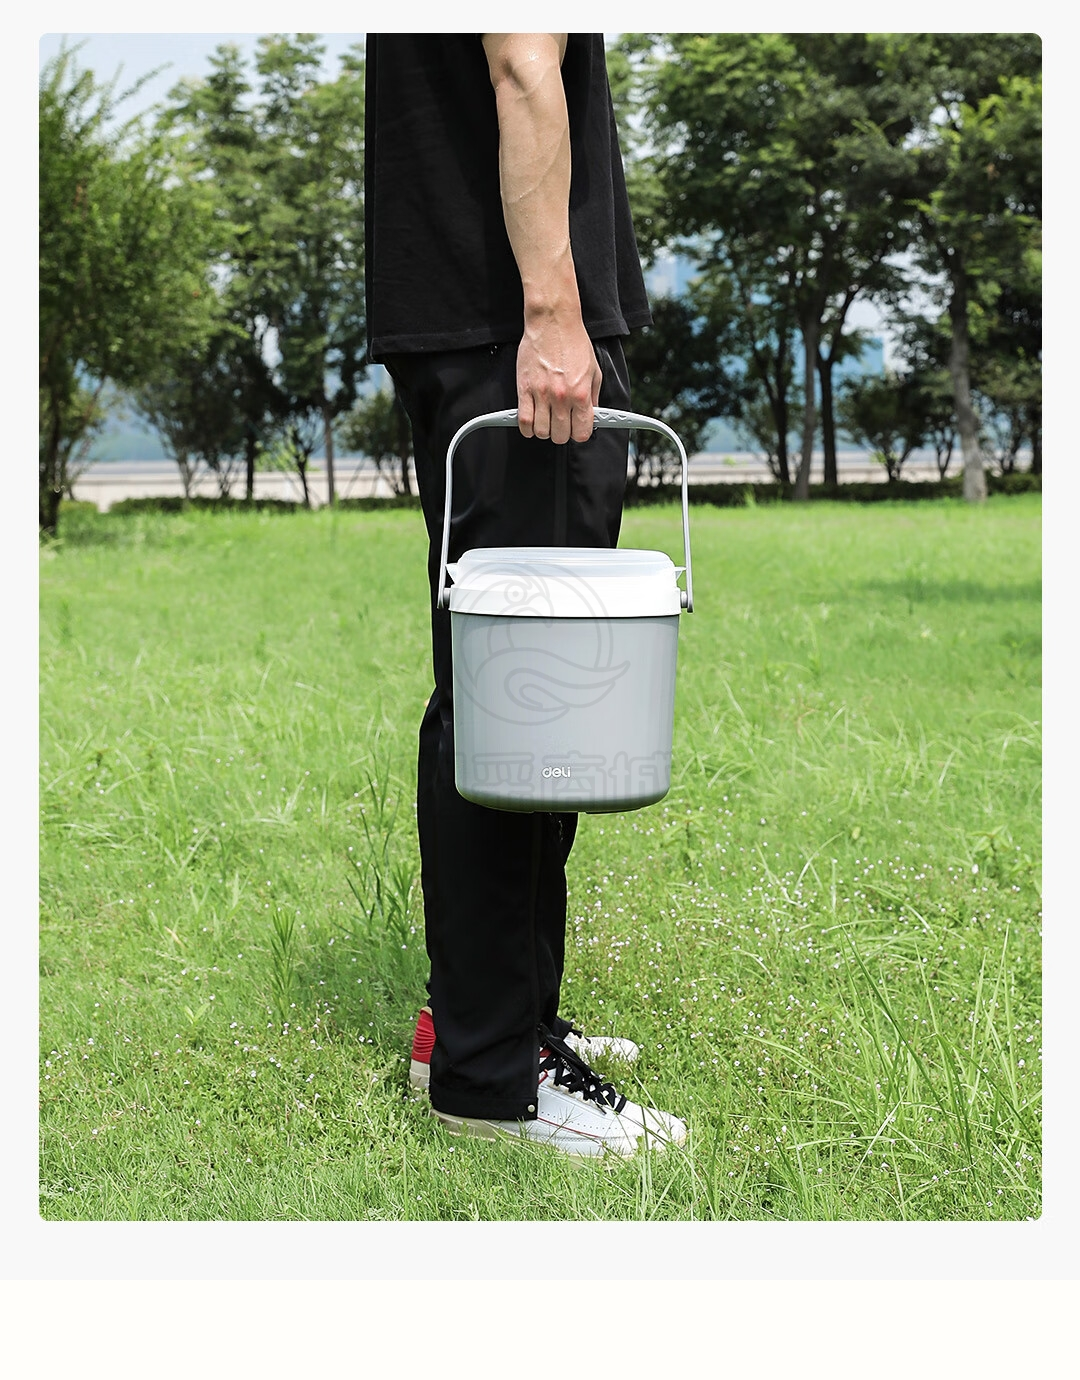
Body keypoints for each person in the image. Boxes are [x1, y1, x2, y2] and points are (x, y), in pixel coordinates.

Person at [364, 32, 686, 1156]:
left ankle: (492, 1023)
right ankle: (492, 1080)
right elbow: (521, 69)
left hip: (483, 319)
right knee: (521, 706)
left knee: (522, 698)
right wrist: (553, 313)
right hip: (513, 328)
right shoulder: (532, 326)